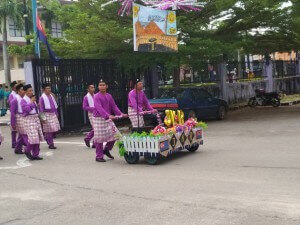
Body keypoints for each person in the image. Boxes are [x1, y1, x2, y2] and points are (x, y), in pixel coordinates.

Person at [93, 80, 127, 162]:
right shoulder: (96, 96)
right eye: (100, 85)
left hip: (108, 118)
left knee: (116, 135)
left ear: (106, 86)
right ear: (98, 87)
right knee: (99, 139)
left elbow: (114, 106)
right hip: (99, 119)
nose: (102, 86)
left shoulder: (109, 96)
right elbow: (99, 108)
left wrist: (121, 114)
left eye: (103, 85)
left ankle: (106, 150)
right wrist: (108, 116)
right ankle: (98, 156)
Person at [21, 84, 44, 160]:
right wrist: (31, 102)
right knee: (33, 138)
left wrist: (37, 106)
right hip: (28, 120)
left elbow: (36, 110)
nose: (31, 92)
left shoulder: (32, 99)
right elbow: (26, 110)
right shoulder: (23, 100)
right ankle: (27, 150)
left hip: (35, 118)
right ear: (25, 92)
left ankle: (35, 154)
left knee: (37, 137)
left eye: (32, 90)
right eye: (29, 91)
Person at [39, 84, 60, 149]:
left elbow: (54, 106)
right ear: (43, 90)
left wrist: (56, 113)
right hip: (46, 115)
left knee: (55, 129)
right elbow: (41, 109)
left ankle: (46, 137)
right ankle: (51, 144)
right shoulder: (42, 98)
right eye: (47, 88)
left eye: (49, 88)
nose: (49, 90)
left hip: (53, 114)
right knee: (49, 130)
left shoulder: (51, 96)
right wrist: (43, 118)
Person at [10, 84, 26, 154]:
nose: (23, 91)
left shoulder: (24, 99)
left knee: (21, 134)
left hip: (24, 117)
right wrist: (13, 123)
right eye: (22, 90)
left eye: (24, 90)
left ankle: (17, 148)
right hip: (18, 118)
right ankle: (22, 147)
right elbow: (12, 112)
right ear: (18, 91)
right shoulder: (14, 100)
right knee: (23, 133)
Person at [82, 84, 96, 148]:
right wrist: (93, 108)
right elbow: (84, 107)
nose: (93, 88)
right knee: (95, 128)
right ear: (88, 89)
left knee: (97, 128)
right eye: (91, 87)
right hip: (91, 113)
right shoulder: (86, 97)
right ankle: (88, 138)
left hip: (97, 113)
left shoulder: (96, 95)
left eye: (93, 87)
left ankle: (93, 142)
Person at [8, 81, 18, 148]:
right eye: (16, 86)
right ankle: (14, 143)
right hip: (14, 113)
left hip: (19, 113)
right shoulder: (12, 95)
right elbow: (11, 105)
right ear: (13, 87)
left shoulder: (17, 94)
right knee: (14, 130)